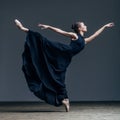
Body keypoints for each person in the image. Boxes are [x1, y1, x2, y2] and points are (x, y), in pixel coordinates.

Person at [14, 19, 114, 112]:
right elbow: (61, 31)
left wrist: (104, 26)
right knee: (44, 42)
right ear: (79, 28)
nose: (86, 26)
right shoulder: (75, 36)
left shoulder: (85, 41)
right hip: (62, 50)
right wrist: (49, 27)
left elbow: (96, 34)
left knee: (58, 78)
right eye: (84, 25)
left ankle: (64, 99)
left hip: (64, 59)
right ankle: (23, 28)